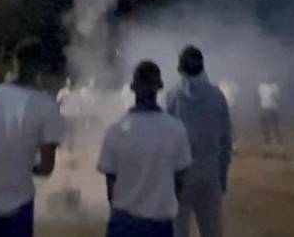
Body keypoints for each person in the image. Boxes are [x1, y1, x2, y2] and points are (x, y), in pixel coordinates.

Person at [0, 37, 64, 237]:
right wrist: (25, 168)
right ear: (41, 68)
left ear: (15, 62)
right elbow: (47, 166)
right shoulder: (47, 106)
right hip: (19, 203)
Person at [98, 61, 193, 237]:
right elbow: (179, 181)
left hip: (123, 224)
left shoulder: (116, 130)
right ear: (158, 89)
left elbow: (111, 187)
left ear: (133, 88)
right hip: (159, 224)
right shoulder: (176, 129)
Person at [164, 46, 231, 237]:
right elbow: (226, 140)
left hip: (180, 173)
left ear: (180, 69)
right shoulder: (217, 96)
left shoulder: (173, 96)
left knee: (179, 231)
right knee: (212, 231)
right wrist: (222, 175)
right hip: (209, 171)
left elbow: (166, 140)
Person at [256, 80, 283, 153]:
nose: (267, 78)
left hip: (273, 108)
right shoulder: (261, 86)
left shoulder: (275, 87)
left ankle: (280, 148)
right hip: (264, 108)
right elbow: (258, 98)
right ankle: (267, 148)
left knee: (275, 128)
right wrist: (259, 109)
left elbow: (278, 98)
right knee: (265, 129)